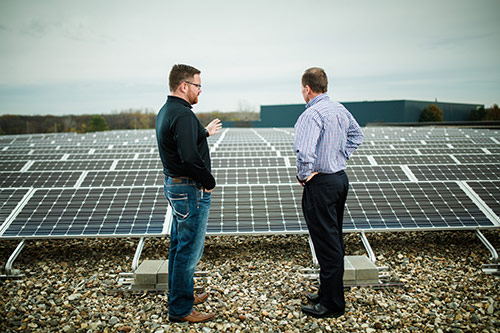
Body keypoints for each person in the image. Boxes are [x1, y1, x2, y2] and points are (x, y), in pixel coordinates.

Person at [294, 67, 364, 318]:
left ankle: (332, 304)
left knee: (326, 244)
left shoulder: (311, 114)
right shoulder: (339, 109)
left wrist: (304, 175)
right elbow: (358, 135)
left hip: (321, 184)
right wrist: (340, 155)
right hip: (339, 180)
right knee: (333, 238)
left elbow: (304, 152)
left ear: (307, 88)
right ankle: (326, 293)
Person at [156, 64, 222, 323]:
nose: (200, 91)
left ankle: (180, 295)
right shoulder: (183, 114)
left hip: (175, 185)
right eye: (197, 85)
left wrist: (204, 132)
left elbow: (178, 142)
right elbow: (189, 157)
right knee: (189, 250)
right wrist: (209, 180)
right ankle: (181, 310)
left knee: (178, 246)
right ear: (184, 86)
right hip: (190, 189)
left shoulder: (168, 110)